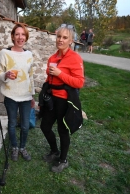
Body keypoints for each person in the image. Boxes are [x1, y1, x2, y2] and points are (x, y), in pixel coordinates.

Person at [40, 26, 84, 173]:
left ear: (70, 41)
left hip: (65, 101)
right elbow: (49, 77)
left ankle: (63, 160)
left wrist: (60, 74)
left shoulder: (75, 58)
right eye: (59, 36)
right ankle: (54, 151)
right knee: (45, 126)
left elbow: (79, 82)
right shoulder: (53, 58)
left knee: (62, 130)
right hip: (52, 99)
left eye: (65, 37)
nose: (61, 40)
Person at [0, 23, 35, 162]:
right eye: (17, 34)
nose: (20, 37)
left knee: (25, 125)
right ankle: (14, 147)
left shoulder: (29, 55)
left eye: (23, 34)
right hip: (11, 95)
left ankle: (22, 147)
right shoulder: (4, 53)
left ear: (26, 37)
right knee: (12, 123)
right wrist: (6, 75)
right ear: (12, 36)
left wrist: (32, 96)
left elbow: (30, 76)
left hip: (25, 96)